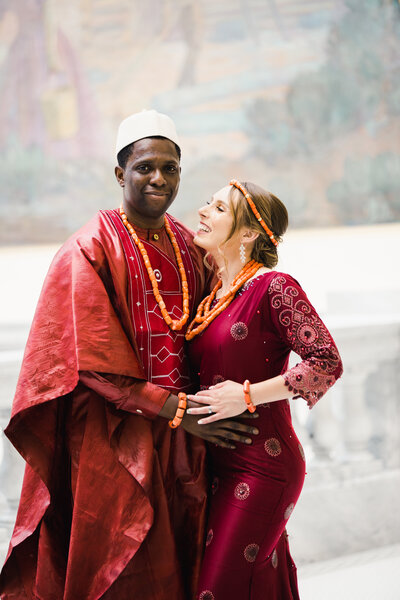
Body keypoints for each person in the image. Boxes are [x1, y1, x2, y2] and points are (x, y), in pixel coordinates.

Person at [0, 113, 257, 600]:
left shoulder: (189, 244)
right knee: (120, 568)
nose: (159, 178)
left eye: (171, 167)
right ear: (121, 175)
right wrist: (179, 412)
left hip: (186, 439)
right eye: (145, 167)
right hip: (111, 438)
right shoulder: (89, 247)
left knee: (186, 566)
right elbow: (90, 361)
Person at [184, 180, 344, 599]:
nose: (203, 211)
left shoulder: (275, 287)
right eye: (208, 202)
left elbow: (326, 362)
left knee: (214, 590)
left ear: (251, 232)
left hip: (263, 464)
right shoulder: (210, 296)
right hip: (216, 466)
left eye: (219, 208)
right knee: (259, 583)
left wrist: (248, 394)